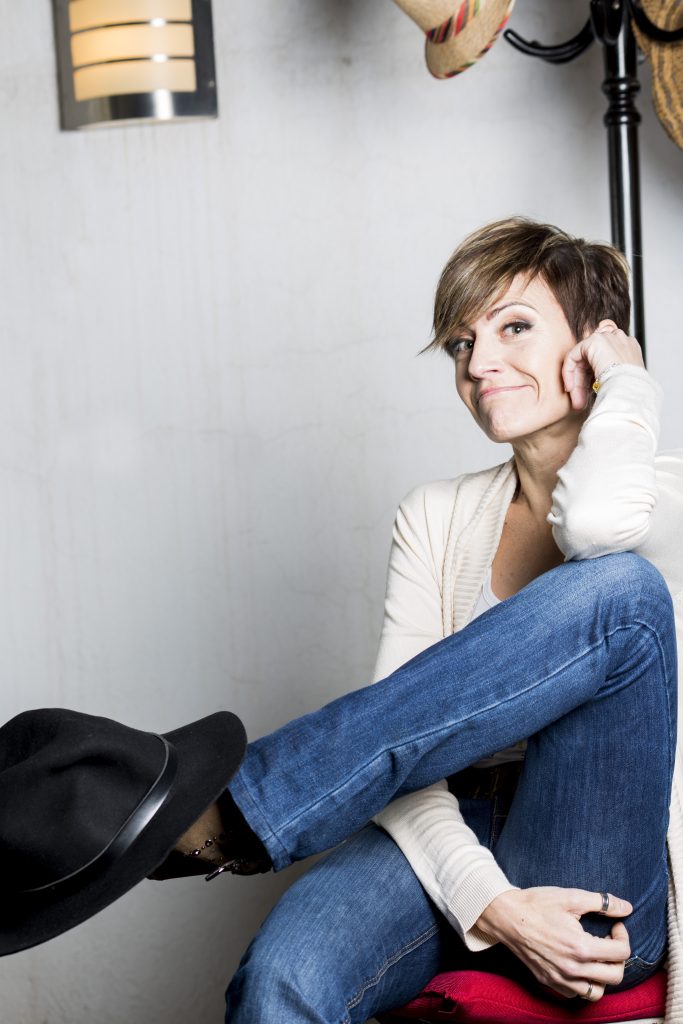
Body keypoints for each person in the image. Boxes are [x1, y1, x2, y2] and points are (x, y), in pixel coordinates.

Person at [1, 219, 681, 1024]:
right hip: (447, 825)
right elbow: (401, 743)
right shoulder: (434, 514)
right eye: (461, 344)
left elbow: (596, 527)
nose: (477, 365)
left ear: (593, 341)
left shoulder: (663, 499)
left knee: (622, 591)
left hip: (600, 850)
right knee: (282, 974)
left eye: (513, 328)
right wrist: (490, 904)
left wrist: (627, 382)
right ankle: (243, 814)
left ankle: (233, 812)